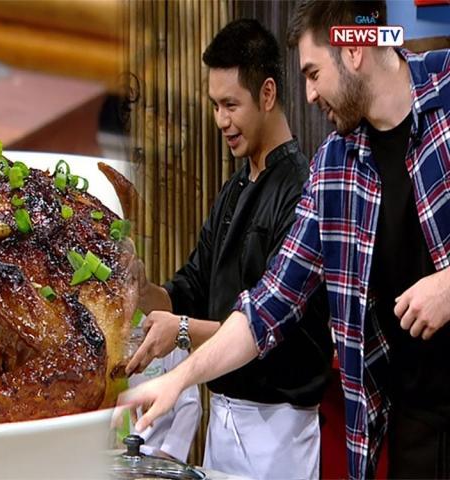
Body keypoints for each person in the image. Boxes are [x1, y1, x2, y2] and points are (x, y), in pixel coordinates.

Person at [117, 1, 450, 479]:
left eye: (313, 73)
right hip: (413, 421)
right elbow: (268, 306)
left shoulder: (445, 89)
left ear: (353, 50)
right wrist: (178, 378)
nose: (309, 94)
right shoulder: (333, 165)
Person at [127, 19, 332, 479]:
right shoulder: (233, 190)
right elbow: (189, 290)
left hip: (279, 434)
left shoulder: (303, 190)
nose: (221, 120)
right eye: (215, 105)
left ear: (267, 94)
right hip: (222, 421)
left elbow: (269, 331)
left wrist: (181, 332)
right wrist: (143, 291)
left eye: (231, 105)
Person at [128, 330, 201, 463]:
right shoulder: (97, 334)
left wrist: (170, 454)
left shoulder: (161, 332)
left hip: (153, 454)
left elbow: (189, 404)